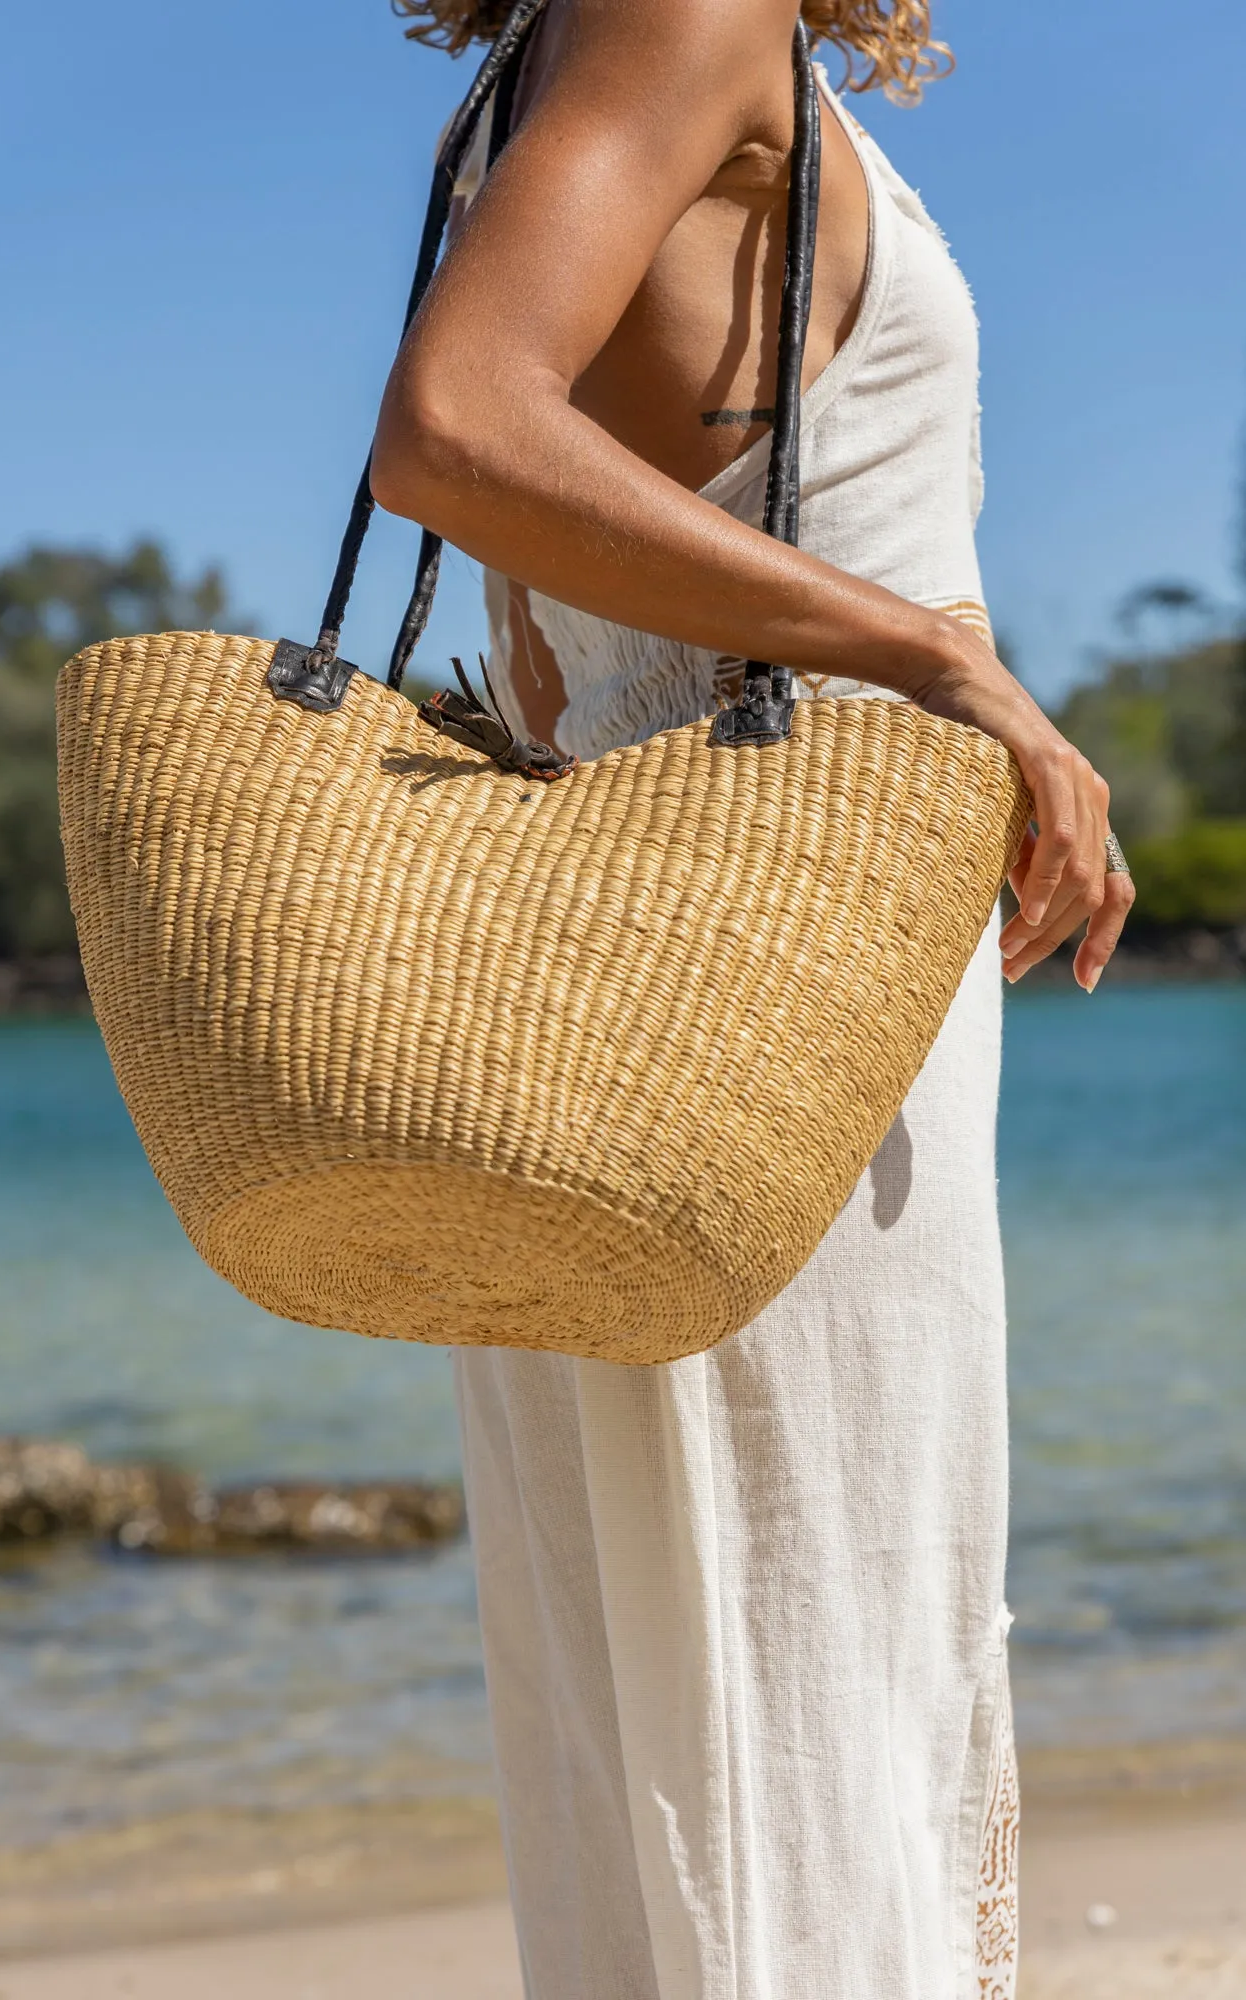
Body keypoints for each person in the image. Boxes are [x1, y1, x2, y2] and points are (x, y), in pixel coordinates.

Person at [372, 3, 1135, 1994]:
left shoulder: (543, 54)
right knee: (814, 1661)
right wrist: (961, 677)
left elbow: (539, 612)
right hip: (770, 975)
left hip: (643, 973)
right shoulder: (681, 7)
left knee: (685, 1681)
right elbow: (456, 426)